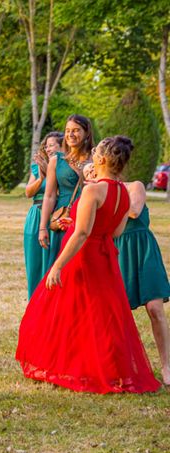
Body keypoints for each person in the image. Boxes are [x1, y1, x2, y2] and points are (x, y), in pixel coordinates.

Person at [16, 136, 161, 394]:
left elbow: (81, 233)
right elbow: (116, 232)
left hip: (84, 256)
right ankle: (109, 367)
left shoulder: (93, 190)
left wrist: (58, 265)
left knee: (62, 310)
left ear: (103, 160)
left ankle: (72, 366)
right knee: (104, 315)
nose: (92, 154)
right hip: (106, 258)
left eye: (96, 152)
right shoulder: (122, 192)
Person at [115, 180, 170, 386]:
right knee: (119, 313)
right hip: (117, 251)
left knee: (155, 309)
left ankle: (167, 366)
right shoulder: (98, 190)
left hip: (142, 249)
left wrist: (108, 197)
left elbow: (135, 211)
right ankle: (123, 366)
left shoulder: (133, 186)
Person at [38, 115, 93, 268]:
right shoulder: (56, 160)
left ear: (86, 133)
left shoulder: (95, 159)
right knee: (60, 268)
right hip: (63, 219)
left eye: (76, 130)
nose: (70, 134)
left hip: (88, 217)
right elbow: (49, 196)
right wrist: (43, 227)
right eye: (68, 130)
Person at [24, 132, 63, 298]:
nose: (47, 148)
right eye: (46, 145)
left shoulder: (65, 167)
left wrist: (50, 172)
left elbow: (62, 192)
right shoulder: (37, 167)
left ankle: (49, 300)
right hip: (35, 215)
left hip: (55, 217)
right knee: (34, 262)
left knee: (50, 261)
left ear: (62, 147)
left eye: (52, 145)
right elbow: (28, 192)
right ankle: (33, 300)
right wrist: (41, 178)